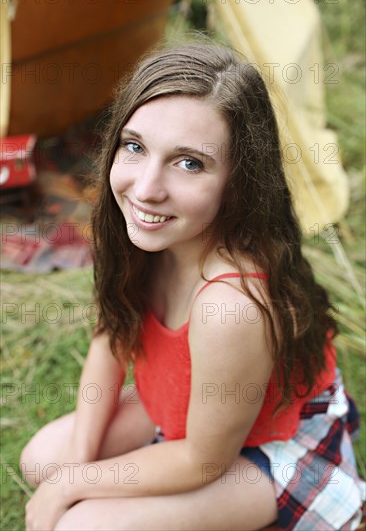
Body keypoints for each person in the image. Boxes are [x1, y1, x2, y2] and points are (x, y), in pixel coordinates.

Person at [21, 41, 365, 531]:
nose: (145, 189)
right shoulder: (142, 232)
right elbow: (110, 345)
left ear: (238, 182)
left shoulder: (232, 304)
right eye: (135, 147)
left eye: (189, 163)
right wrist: (76, 470)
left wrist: (76, 486)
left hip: (261, 451)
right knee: (43, 461)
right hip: (182, 409)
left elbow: (205, 460)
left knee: (82, 525)